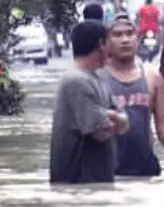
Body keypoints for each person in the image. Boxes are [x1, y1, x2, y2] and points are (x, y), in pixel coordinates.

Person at [99, 15, 164, 176]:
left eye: (129, 33)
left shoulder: (152, 78)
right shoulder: (96, 79)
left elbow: (163, 123)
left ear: (138, 39)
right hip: (107, 166)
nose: (125, 40)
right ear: (106, 43)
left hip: (144, 164)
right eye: (117, 35)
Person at [50, 20, 129, 184]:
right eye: (109, 41)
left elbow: (124, 124)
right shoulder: (75, 81)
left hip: (98, 184)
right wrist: (111, 118)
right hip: (78, 185)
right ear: (101, 44)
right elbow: (100, 132)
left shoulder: (99, 79)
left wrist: (109, 116)